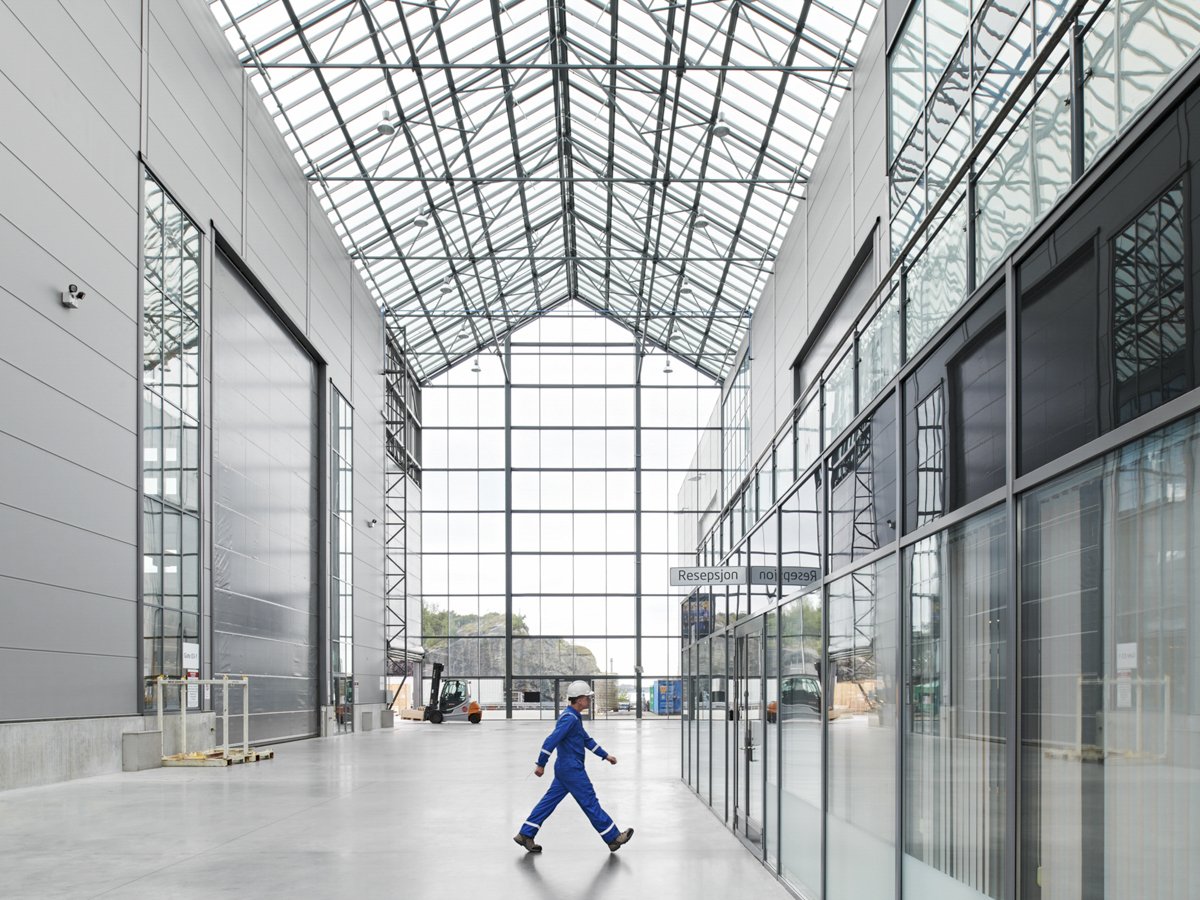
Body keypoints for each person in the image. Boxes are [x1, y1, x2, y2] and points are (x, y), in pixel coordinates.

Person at [513, 680, 634, 854]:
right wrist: (541, 764)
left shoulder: (574, 717)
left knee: (548, 802)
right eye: (587, 698)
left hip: (565, 769)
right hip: (571, 769)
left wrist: (606, 756)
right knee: (589, 801)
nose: (590, 701)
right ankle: (613, 837)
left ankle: (525, 834)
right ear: (579, 699)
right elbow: (551, 740)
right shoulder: (569, 719)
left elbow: (586, 740)